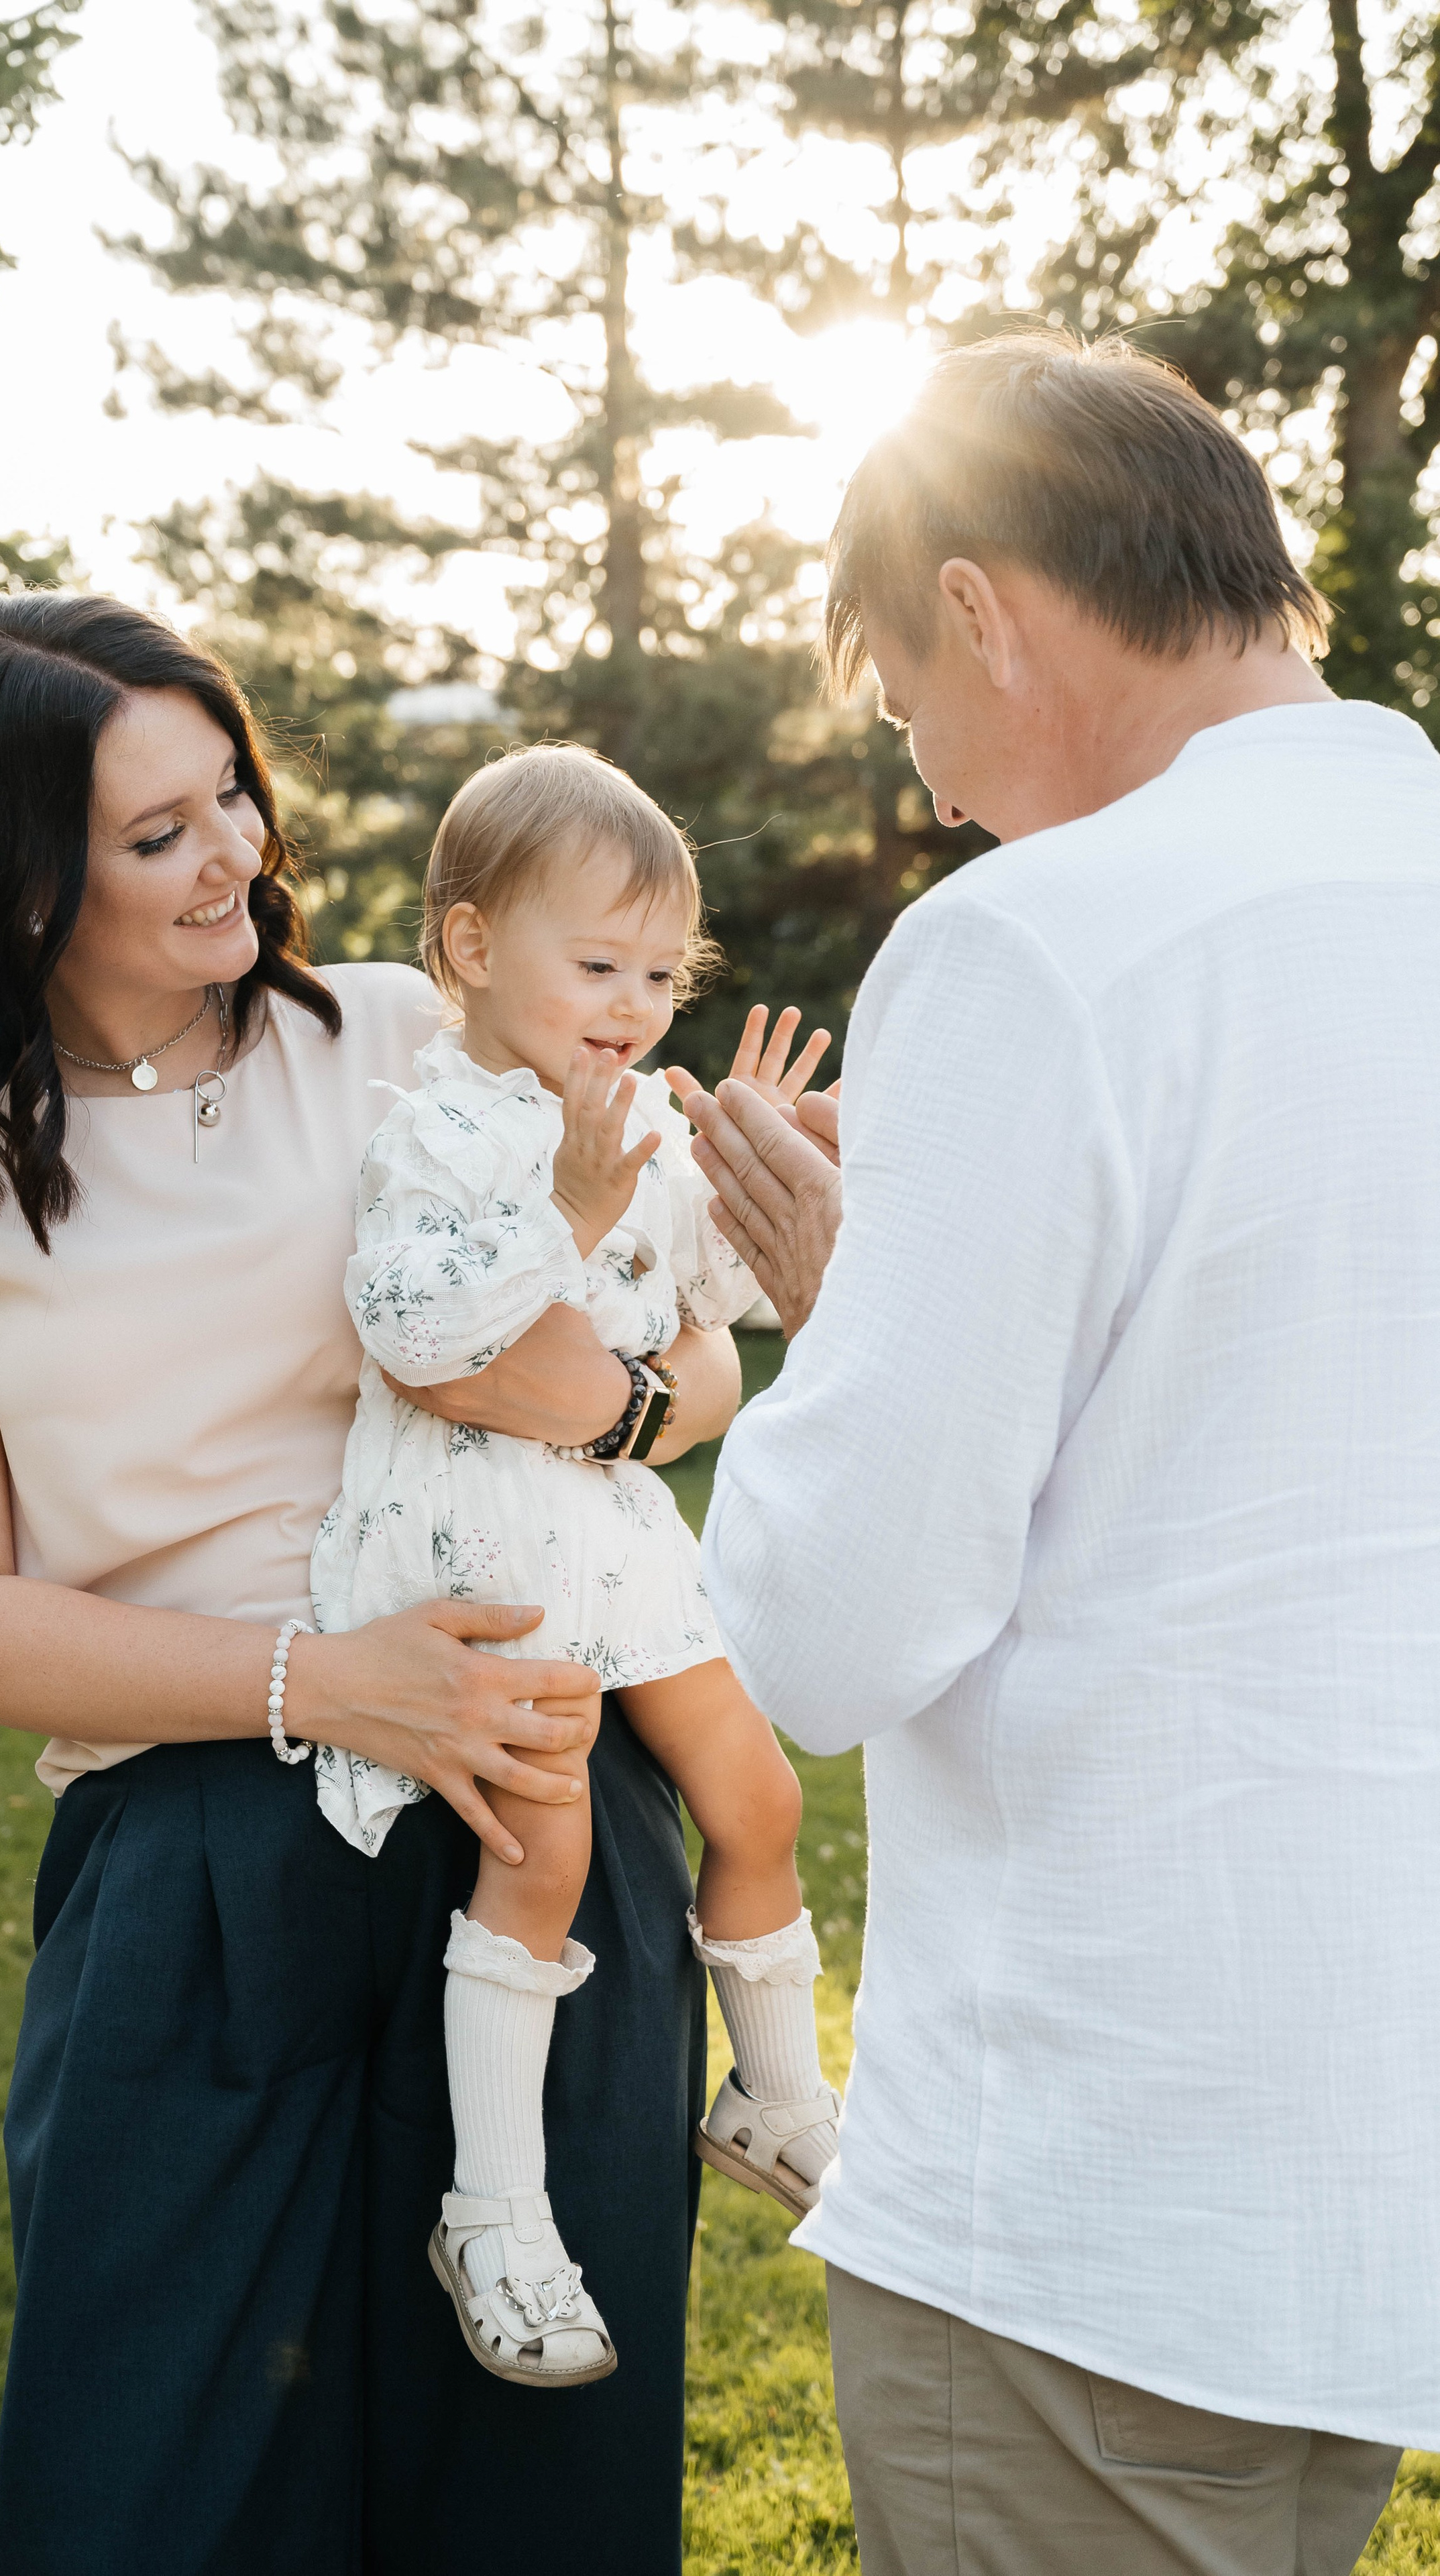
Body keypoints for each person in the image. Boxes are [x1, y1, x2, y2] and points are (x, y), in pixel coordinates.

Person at [0, 592, 743, 2575]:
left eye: (229, 794)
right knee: (150, 2482)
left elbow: (685, 1349)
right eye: (156, 835)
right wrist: (324, 1685)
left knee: (534, 2501)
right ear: (17, 878)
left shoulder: (416, 1032)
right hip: (194, 1869)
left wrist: (638, 1392)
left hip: (536, 1810)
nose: (232, 850)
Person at [678, 333, 1440, 2575]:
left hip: (1101, 2167)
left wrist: (851, 1335)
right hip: (1368, 2153)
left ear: (991, 609)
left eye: (913, 705)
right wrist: (889, 1300)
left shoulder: (1039, 945)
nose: (937, 785)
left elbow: (829, 1627)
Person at [305, 743, 842, 2387]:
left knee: (759, 1804)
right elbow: (418, 1327)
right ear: (470, 949)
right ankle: (495, 2207)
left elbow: (708, 1315)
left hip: (617, 1548)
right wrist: (568, 1195)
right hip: (483, 1558)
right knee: (533, 1862)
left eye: (661, 975)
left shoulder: (633, 1121)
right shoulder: (439, 1130)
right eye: (596, 963)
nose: (632, 1003)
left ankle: (776, 2099)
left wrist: (764, 1174)